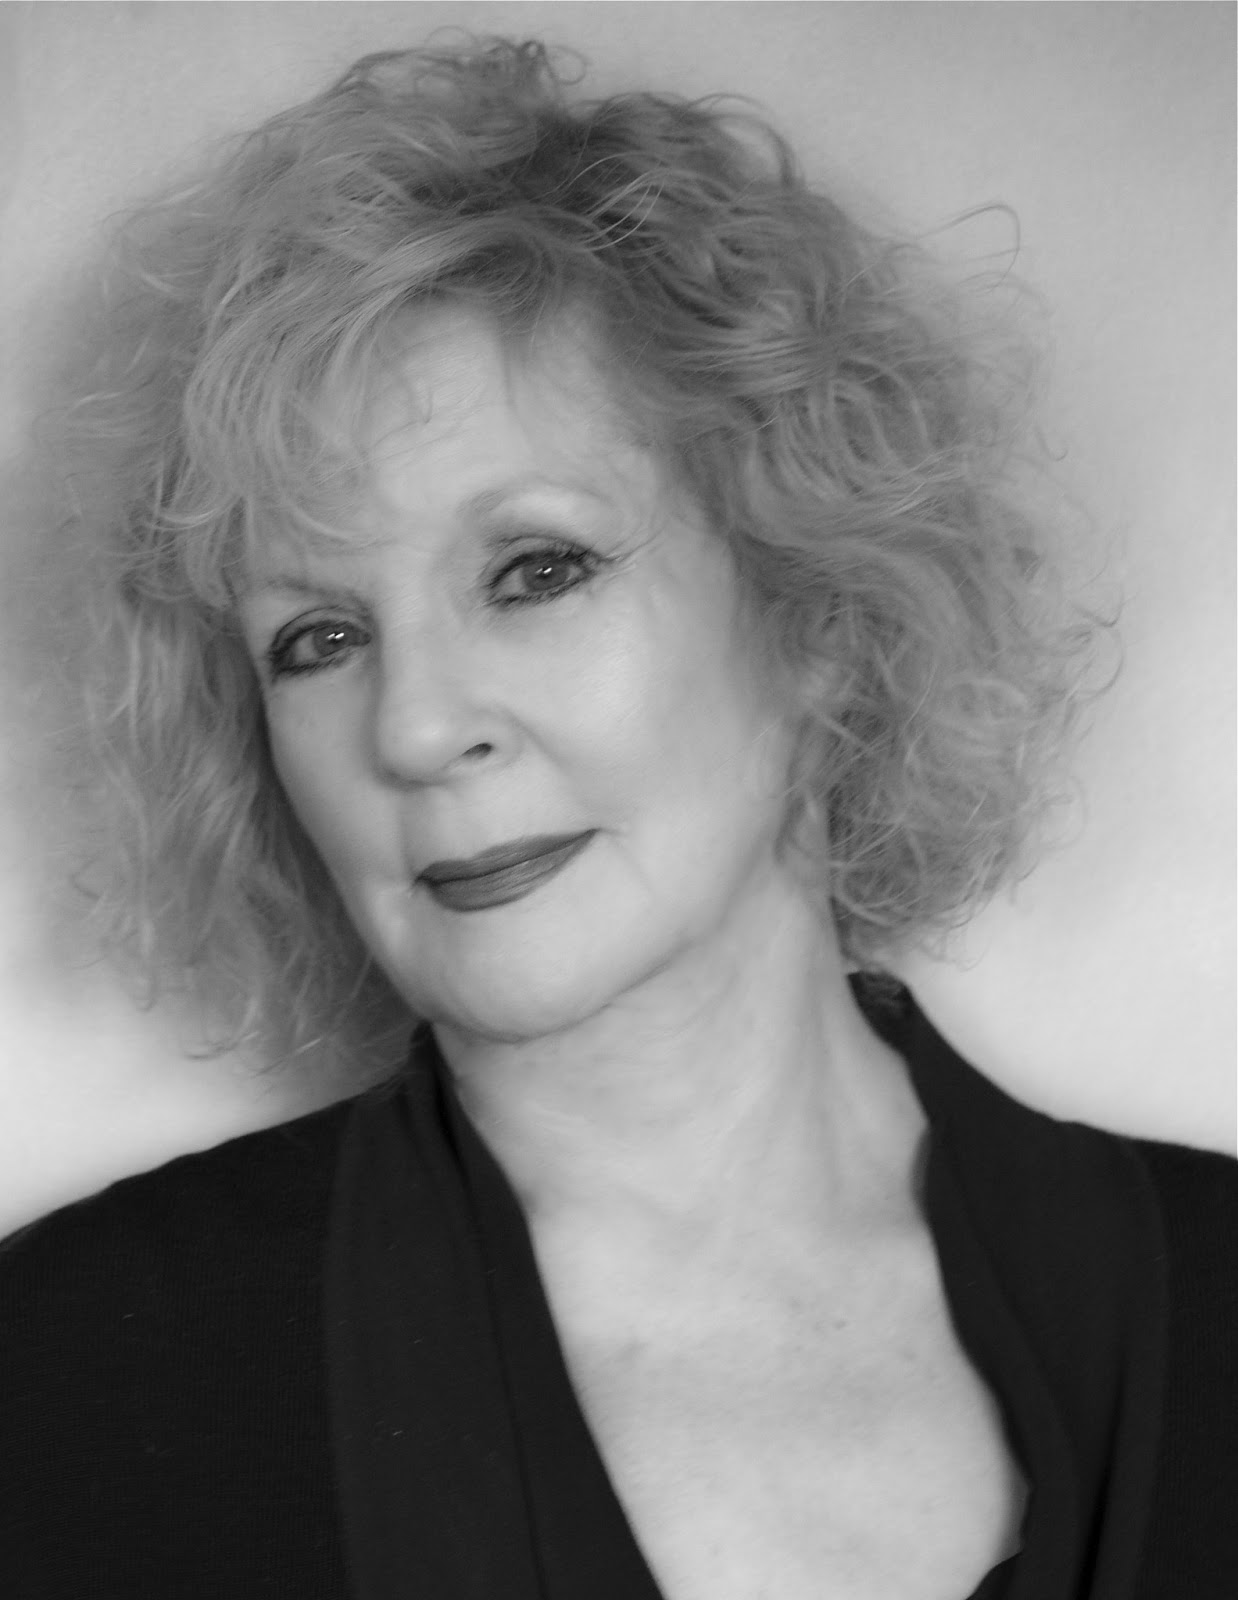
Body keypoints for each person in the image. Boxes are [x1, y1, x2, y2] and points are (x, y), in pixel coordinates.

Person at [0, 36, 1233, 1600]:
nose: (414, 727)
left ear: (816, 611)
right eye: (314, 638)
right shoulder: (71, 1381)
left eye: (535, 569)